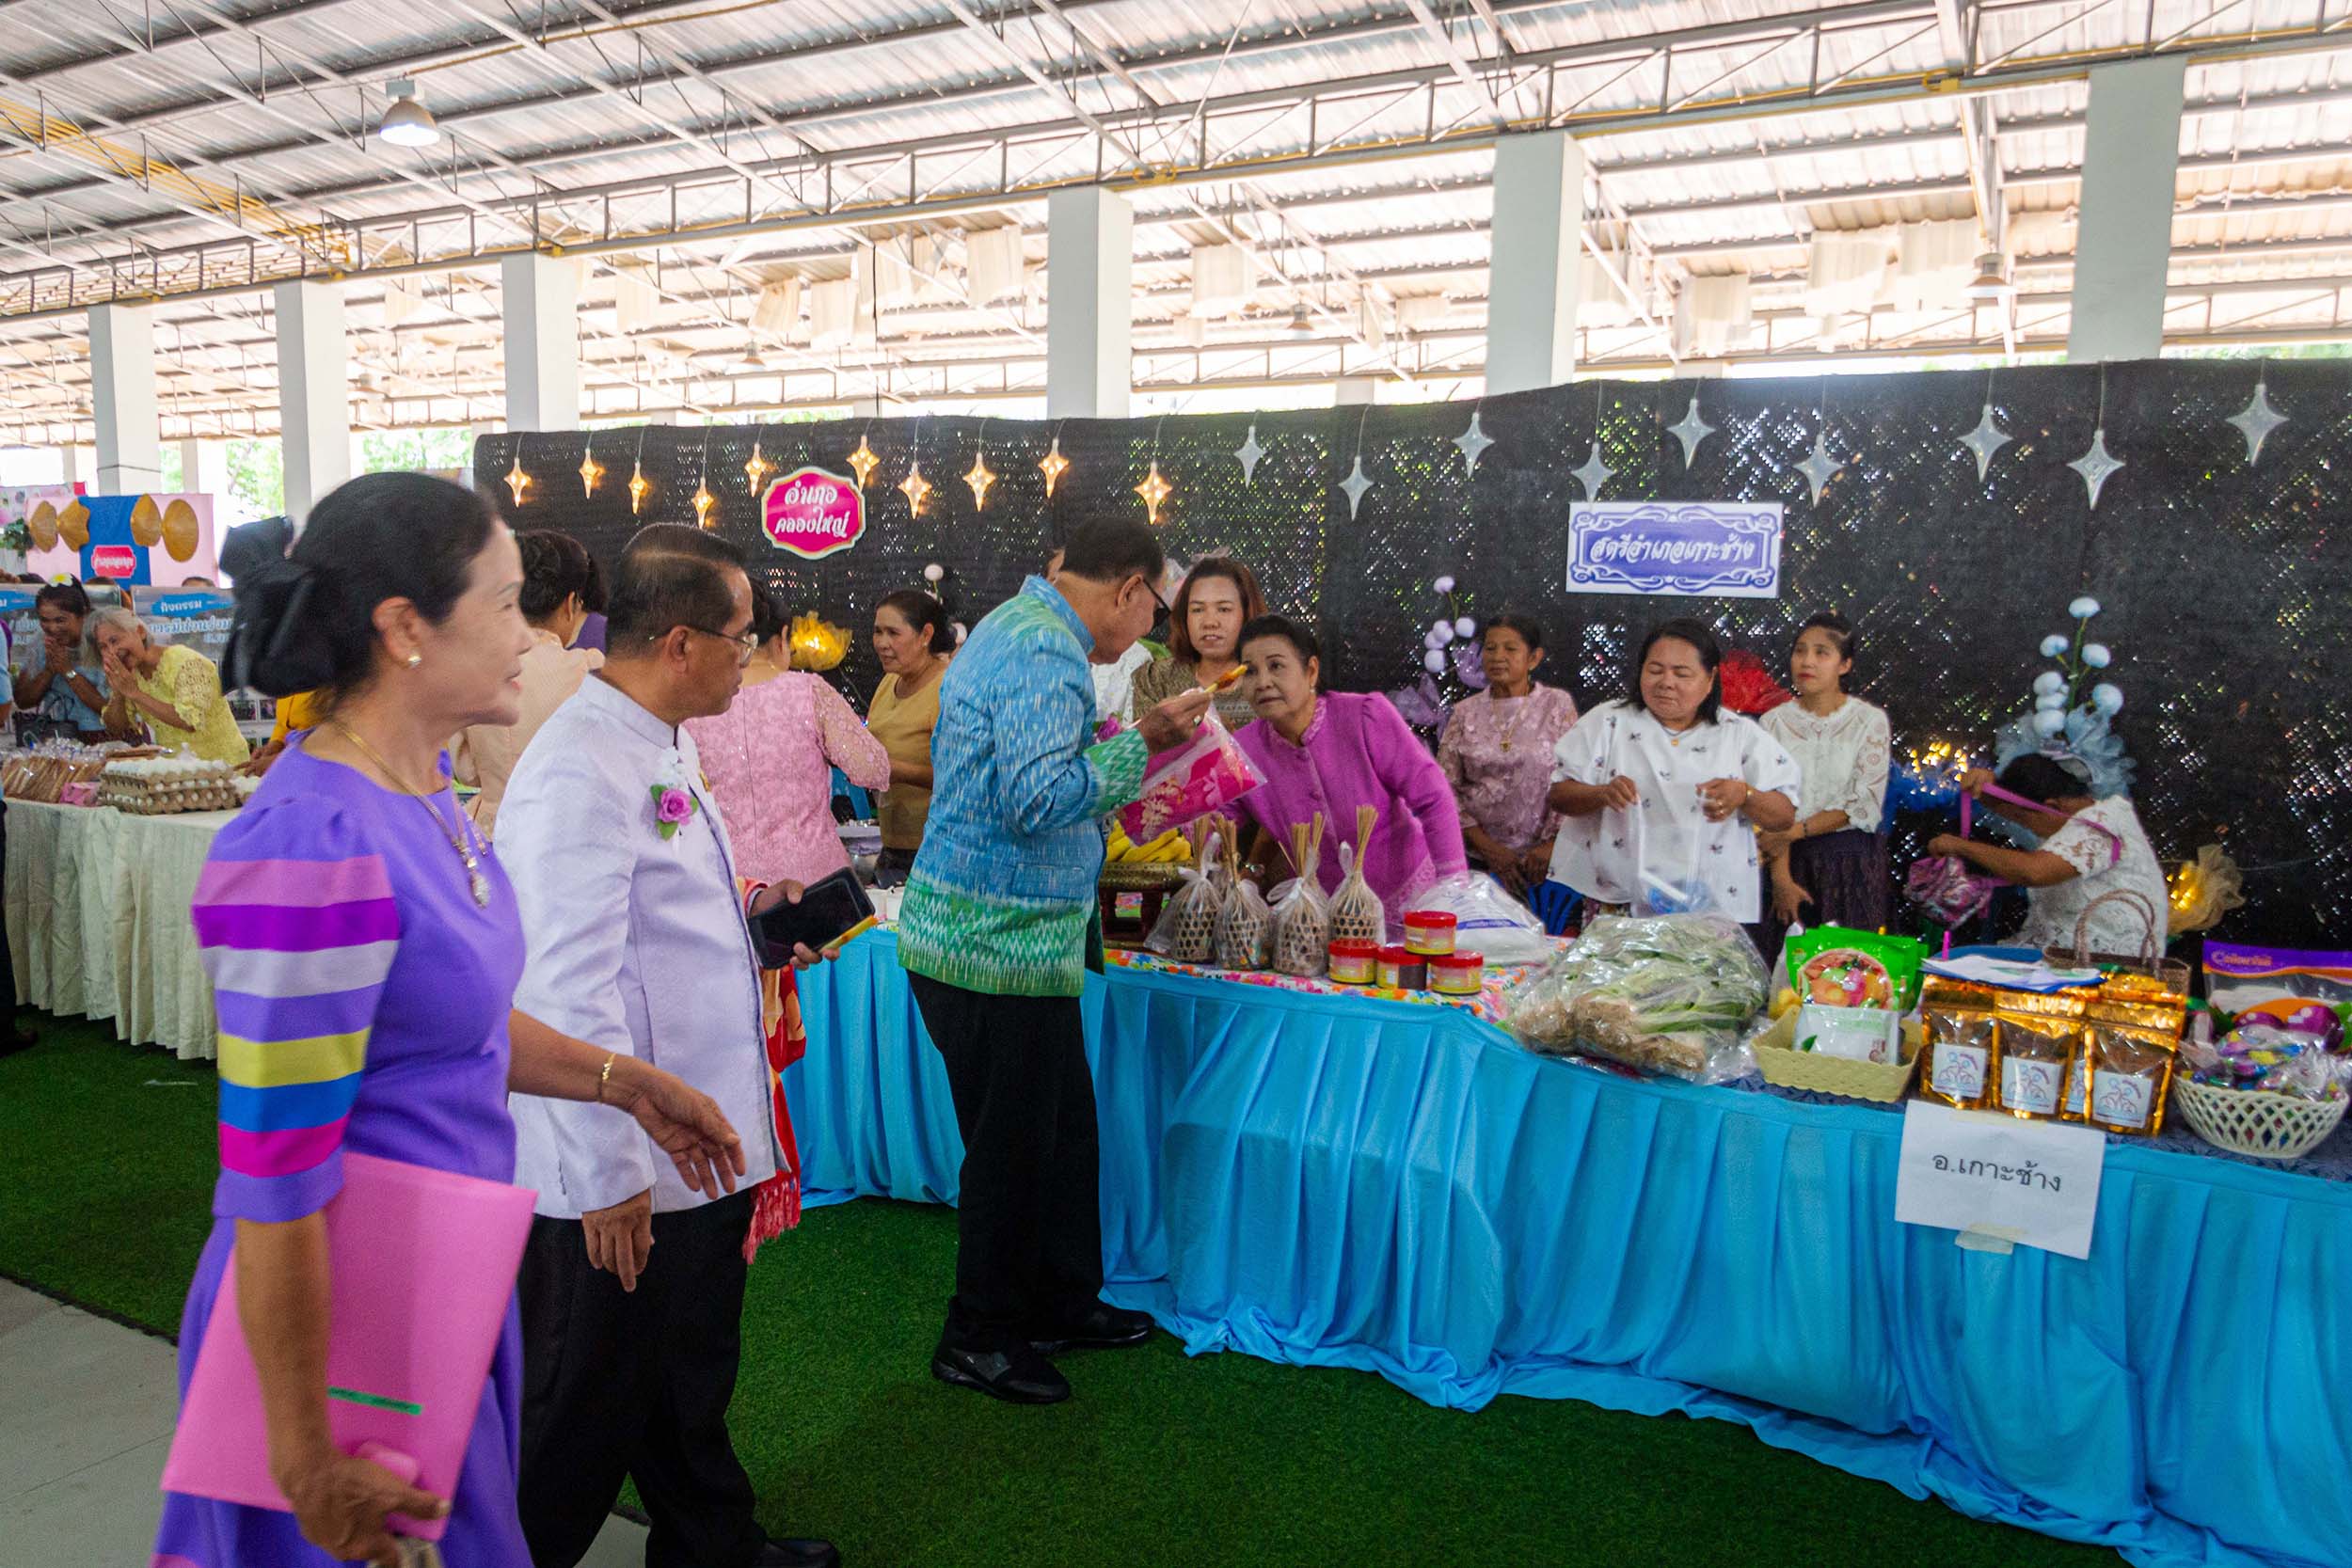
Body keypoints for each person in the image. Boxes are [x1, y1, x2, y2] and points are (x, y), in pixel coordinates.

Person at [152, 475, 746, 1568]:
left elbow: (453, 1027)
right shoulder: (312, 844)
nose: (534, 636)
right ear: (403, 628)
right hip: (341, 1333)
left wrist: (626, 1081)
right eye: (505, 603)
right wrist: (304, 1450)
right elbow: (277, 1178)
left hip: (441, 1288)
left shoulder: (421, 793)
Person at [499, 524, 838, 1568]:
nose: (756, 655)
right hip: (626, 1161)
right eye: (743, 637)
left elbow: (653, 915)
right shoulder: (578, 767)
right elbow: (562, 985)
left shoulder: (658, 738)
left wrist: (753, 915)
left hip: (690, 1136)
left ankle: (710, 1545)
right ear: (682, 641)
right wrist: (608, 1175)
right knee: (575, 1417)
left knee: (683, 1375)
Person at [898, 519, 1212, 1406]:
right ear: (1128, 589)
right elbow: (1039, 797)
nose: (1150, 627)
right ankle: (981, 1334)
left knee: (1063, 1131)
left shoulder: (1020, 628)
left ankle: (1061, 1299)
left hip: (1014, 941)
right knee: (1012, 1147)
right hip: (990, 946)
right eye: (1155, 605)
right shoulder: (1044, 651)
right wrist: (1141, 741)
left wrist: (1114, 737)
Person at [1546, 617, 1800, 924]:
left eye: (1682, 673)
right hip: (1620, 900)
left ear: (1710, 680)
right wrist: (1602, 793)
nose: (1666, 682)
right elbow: (1559, 795)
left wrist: (1744, 794)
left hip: (1707, 904)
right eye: (1655, 670)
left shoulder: (1737, 733)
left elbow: (1783, 814)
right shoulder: (1609, 721)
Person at [1229, 615, 1470, 927]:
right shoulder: (1241, 749)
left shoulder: (1364, 717)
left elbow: (1433, 797)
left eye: (1276, 666)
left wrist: (1454, 892)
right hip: (1324, 917)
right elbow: (1216, 823)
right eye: (1249, 671)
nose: (1262, 682)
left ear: (1311, 670)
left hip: (1412, 904)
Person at [688, 586, 891, 888]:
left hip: (726, 882)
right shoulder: (808, 692)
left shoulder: (695, 701)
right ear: (783, 638)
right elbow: (872, 769)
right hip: (815, 882)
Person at [1929, 752, 2170, 958]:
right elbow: (2015, 807)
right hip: (2056, 955)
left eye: (2023, 819)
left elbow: (2034, 871)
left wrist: (1960, 846)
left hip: (2105, 966)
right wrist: (1987, 787)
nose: (2025, 826)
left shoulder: (2101, 825)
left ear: (2053, 807)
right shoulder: (2076, 815)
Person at [451, 529, 603, 833]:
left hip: (490, 828)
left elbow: (465, 769)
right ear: (571, 603)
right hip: (564, 829)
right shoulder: (591, 668)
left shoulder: (470, 669)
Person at [1758, 613, 1892, 947]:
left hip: (1848, 863)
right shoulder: (1772, 723)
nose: (1807, 662)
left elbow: (1861, 804)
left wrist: (1794, 831)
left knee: (1845, 971)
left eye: (1822, 653)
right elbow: (1765, 804)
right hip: (1784, 859)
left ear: (1844, 665)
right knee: (1783, 975)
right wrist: (1781, 880)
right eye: (1800, 651)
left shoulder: (1868, 721)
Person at [1438, 614, 1580, 895]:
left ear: (1534, 658)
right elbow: (1444, 788)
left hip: (1544, 863)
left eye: (1510, 649)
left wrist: (1552, 846)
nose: (1497, 656)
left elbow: (1576, 775)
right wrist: (1490, 850)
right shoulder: (1465, 712)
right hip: (1479, 862)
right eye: (1490, 648)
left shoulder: (1556, 705)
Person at [85, 605, 250, 764]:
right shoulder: (131, 674)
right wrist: (120, 692)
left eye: (115, 640)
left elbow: (188, 721)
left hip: (224, 767)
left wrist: (135, 693)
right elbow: (116, 727)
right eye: (103, 647)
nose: (112, 652)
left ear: (140, 632)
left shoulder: (186, 662)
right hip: (178, 770)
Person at [867, 588, 953, 879]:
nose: (882, 643)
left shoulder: (947, 688)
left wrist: (892, 769)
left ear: (926, 634)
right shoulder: (889, 681)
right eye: (878, 632)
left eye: (893, 632)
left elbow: (959, 777)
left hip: (935, 851)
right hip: (892, 848)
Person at [1129, 555, 1265, 732]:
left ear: (1247, 614)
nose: (1210, 622)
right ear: (1184, 616)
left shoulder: (1270, 681)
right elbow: (1147, 751)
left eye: (1224, 609)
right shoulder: (1155, 679)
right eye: (1197, 610)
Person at [1048, 544, 1157, 721]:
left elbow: (1140, 733)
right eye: (1055, 581)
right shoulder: (1031, 644)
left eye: (1079, 584)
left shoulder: (1134, 657)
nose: (1066, 594)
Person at [13, 582, 121, 739]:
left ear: (82, 615)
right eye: (44, 620)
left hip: (108, 739)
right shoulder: (42, 642)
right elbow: (23, 701)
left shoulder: (104, 642)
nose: (52, 628)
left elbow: (112, 712)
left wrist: (67, 671)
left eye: (60, 620)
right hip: (59, 738)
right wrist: (49, 671)